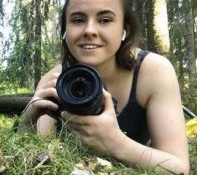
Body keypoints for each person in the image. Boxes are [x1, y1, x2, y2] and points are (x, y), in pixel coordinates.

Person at [17, 0, 190, 174]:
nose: (89, 30)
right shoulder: (55, 81)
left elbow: (179, 167)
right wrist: (26, 124)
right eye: (78, 20)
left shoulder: (154, 71)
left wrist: (115, 142)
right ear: (65, 31)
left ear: (125, 29)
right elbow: (36, 155)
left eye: (105, 20)